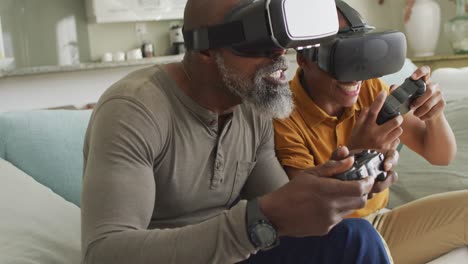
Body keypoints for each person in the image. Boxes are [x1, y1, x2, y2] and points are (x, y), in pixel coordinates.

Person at [80, 0, 398, 263]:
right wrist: (253, 225)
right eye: (259, 43)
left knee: (355, 238)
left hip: (236, 254)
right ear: (205, 49)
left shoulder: (252, 106)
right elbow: (104, 252)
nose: (278, 57)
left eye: (280, 43)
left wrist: (338, 181)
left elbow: (281, 205)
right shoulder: (135, 109)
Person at [273, 6, 468, 264]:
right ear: (304, 58)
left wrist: (433, 115)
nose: (354, 73)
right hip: (337, 238)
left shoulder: (368, 88)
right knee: (359, 237)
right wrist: (357, 152)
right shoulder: (284, 114)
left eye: (358, 52)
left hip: (380, 220)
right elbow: (309, 212)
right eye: (340, 56)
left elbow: (441, 155)